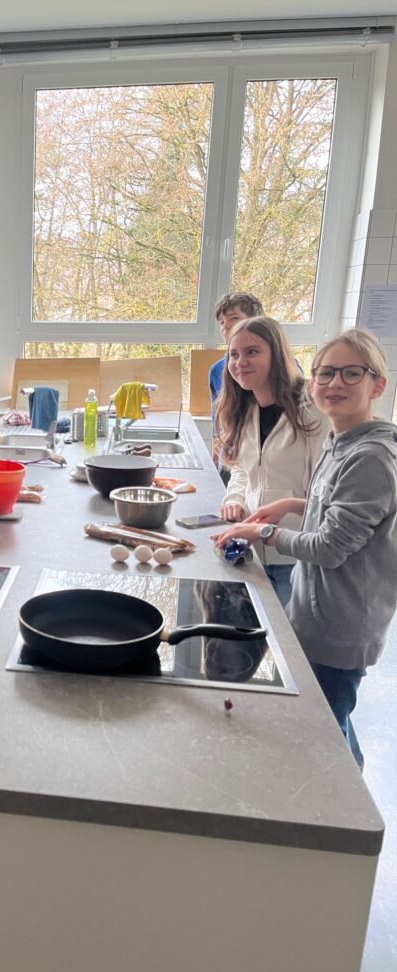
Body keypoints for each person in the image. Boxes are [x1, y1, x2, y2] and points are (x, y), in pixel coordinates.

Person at [215, 328, 397, 768]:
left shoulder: (371, 456)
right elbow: (330, 507)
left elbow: (331, 547)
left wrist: (263, 532)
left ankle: (349, 805)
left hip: (342, 625)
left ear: (377, 386)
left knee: (326, 737)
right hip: (316, 611)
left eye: (351, 373)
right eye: (326, 373)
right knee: (329, 720)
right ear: (313, 382)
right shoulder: (342, 441)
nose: (335, 383)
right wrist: (292, 505)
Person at [213, 316, 326, 607]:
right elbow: (242, 468)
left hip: (295, 555)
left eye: (252, 351)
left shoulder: (311, 410)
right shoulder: (243, 409)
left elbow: (325, 490)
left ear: (277, 354)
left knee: (291, 634)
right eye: (233, 354)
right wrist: (234, 498)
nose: (240, 362)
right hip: (252, 549)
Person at [210, 292, 265, 481]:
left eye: (234, 318)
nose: (226, 326)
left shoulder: (280, 367)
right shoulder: (216, 371)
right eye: (221, 322)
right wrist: (217, 444)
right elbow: (218, 422)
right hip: (231, 457)